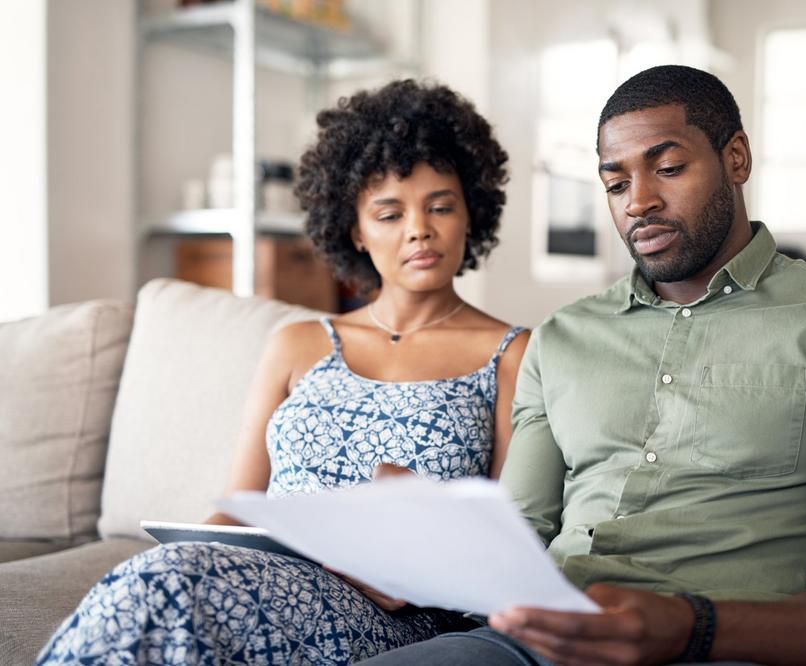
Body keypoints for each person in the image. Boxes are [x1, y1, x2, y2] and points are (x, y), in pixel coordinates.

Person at [361, 65, 806, 666]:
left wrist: (695, 627)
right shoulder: (562, 338)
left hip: (727, 648)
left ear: (735, 158)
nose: (639, 202)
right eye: (615, 186)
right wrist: (426, 546)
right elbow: (521, 540)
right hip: (532, 647)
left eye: (668, 168)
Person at [36, 80, 529, 665]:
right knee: (161, 576)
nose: (418, 229)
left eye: (441, 206)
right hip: (262, 577)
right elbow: (238, 506)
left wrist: (421, 565)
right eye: (389, 213)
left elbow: (516, 538)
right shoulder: (296, 344)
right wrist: (198, 547)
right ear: (354, 230)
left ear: (472, 212)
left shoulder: (511, 353)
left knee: (170, 588)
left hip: (400, 614)